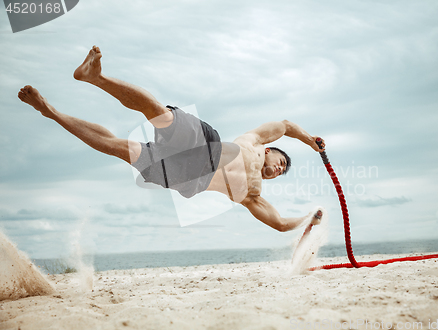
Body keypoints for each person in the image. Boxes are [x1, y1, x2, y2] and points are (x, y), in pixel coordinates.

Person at [18, 46, 326, 232]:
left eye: (281, 173)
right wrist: (309, 140)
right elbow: (285, 125)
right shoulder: (253, 142)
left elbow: (280, 223)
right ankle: (95, 77)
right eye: (281, 161)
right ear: (270, 150)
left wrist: (309, 219)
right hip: (204, 146)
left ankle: (51, 112)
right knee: (158, 113)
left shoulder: (252, 196)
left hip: (185, 176)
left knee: (115, 147)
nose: (278, 169)